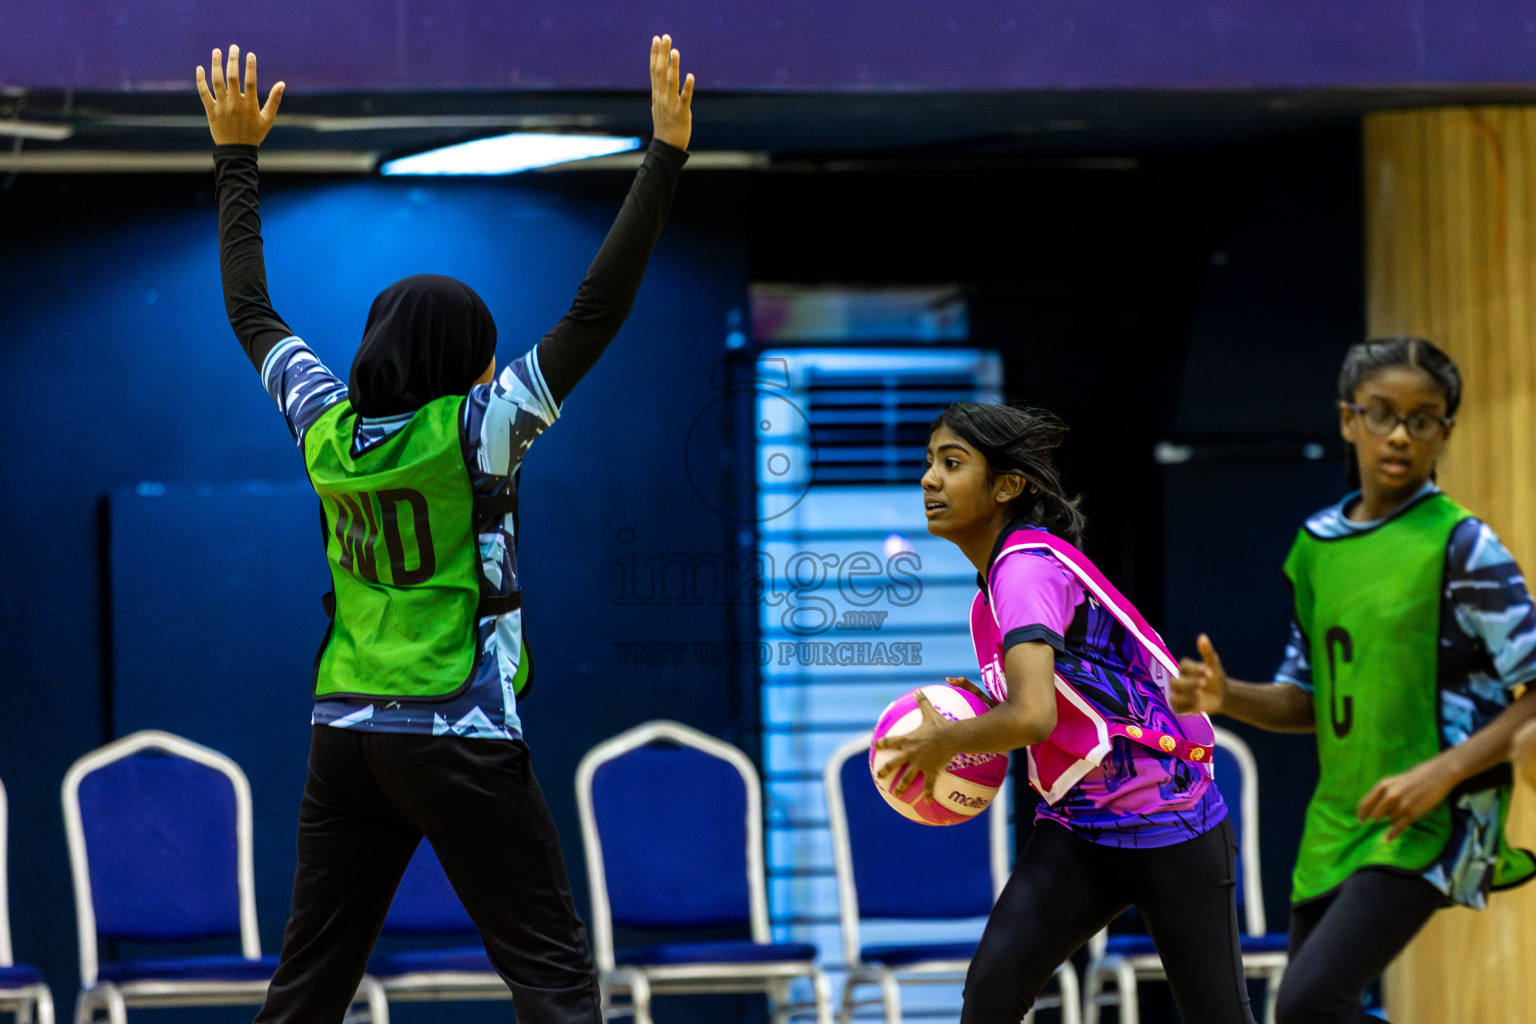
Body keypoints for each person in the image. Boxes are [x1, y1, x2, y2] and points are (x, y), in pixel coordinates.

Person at [195, 35, 693, 1024]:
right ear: (466, 359)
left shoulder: (325, 425)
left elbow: (251, 309)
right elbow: (595, 312)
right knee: (551, 974)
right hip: (457, 727)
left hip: (343, 727)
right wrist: (665, 155)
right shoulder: (479, 432)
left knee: (308, 984)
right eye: (487, 352)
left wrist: (235, 159)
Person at [1172, 337, 1536, 1024]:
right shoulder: (1316, 547)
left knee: (1311, 1004)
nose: (1400, 433)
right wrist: (1227, 699)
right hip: (1341, 816)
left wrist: (1442, 773)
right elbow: (1306, 697)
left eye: (1422, 419)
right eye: (1380, 413)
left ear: (1445, 433)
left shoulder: (1464, 545)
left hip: (1441, 813)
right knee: (1305, 1013)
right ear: (1348, 420)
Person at [876, 402, 1256, 1024]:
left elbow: (1033, 719)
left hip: (1172, 821)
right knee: (992, 990)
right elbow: (1056, 699)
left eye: (952, 463)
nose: (929, 479)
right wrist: (982, 702)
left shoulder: (1022, 569)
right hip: (1080, 826)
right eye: (928, 463)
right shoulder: (996, 587)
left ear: (1006, 485)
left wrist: (951, 739)